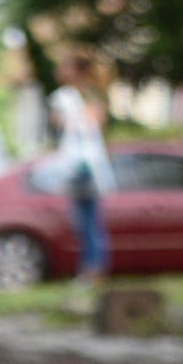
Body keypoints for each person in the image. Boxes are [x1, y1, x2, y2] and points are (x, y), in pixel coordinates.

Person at [49, 56, 112, 288]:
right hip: (85, 165)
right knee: (87, 222)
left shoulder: (77, 96)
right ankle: (92, 268)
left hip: (84, 167)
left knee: (87, 222)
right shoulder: (79, 95)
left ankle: (92, 270)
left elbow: (86, 125)